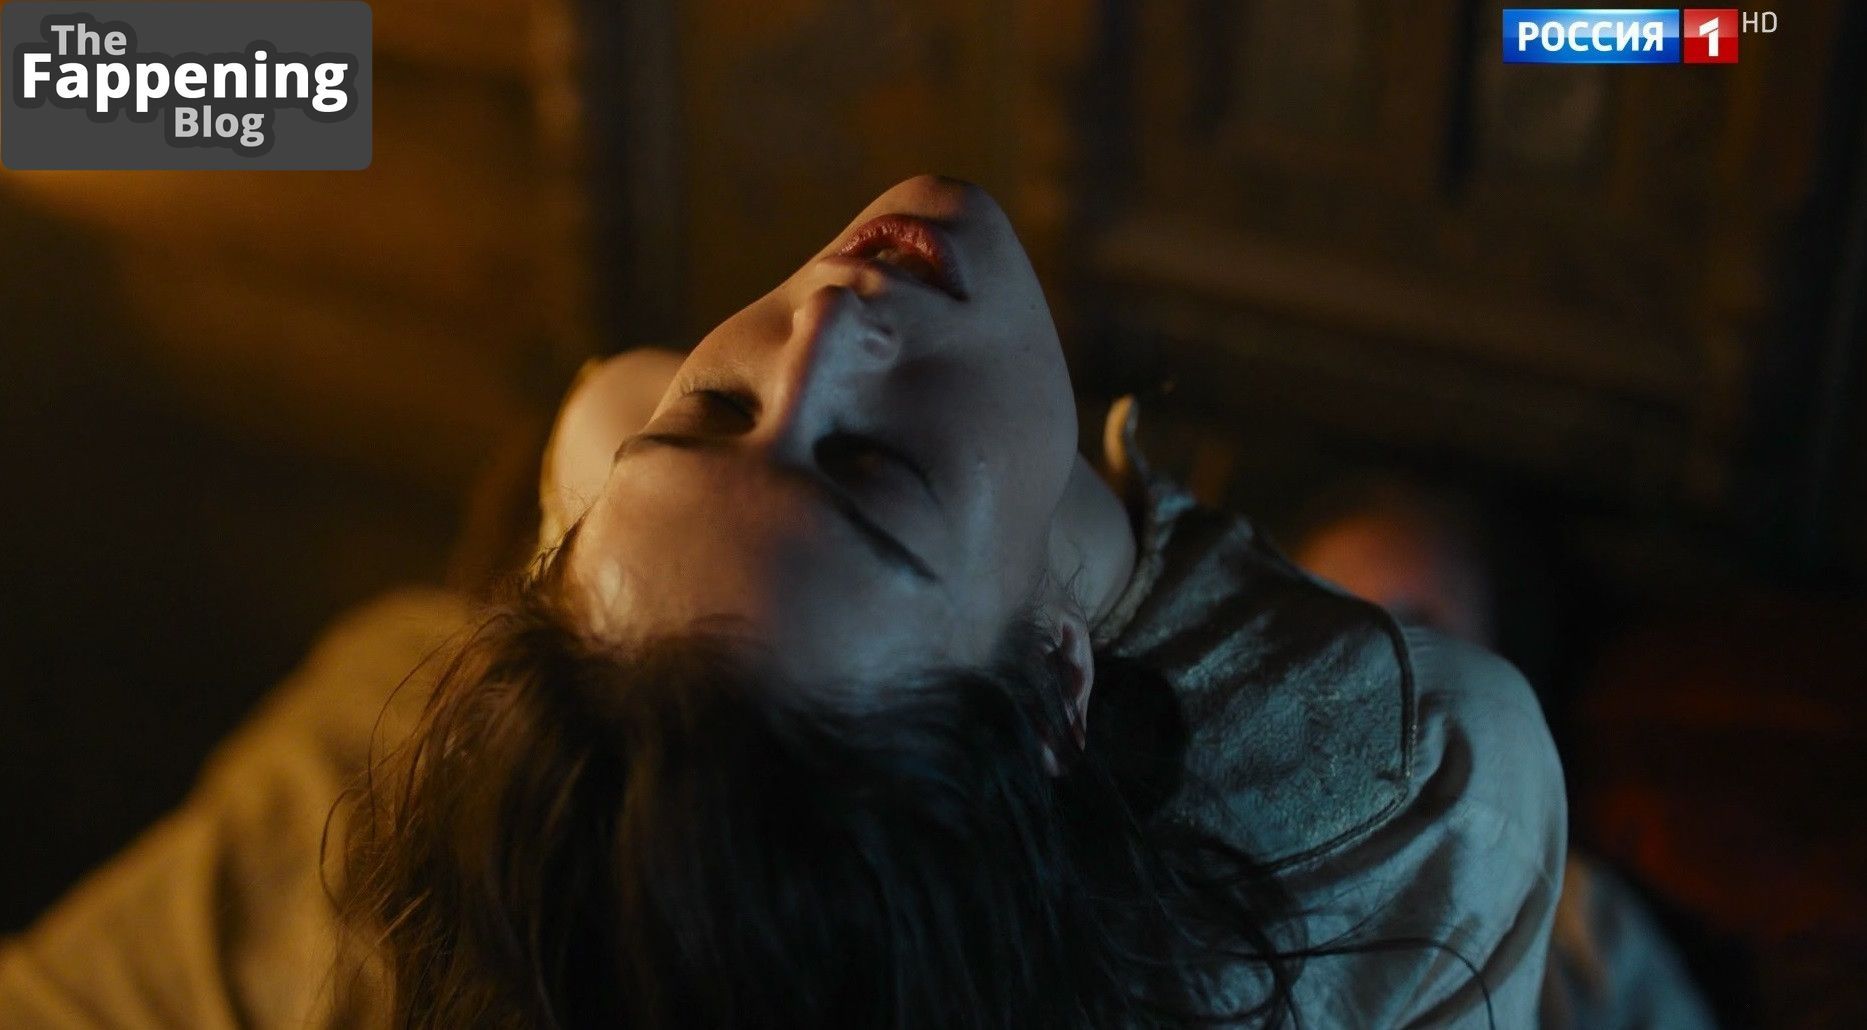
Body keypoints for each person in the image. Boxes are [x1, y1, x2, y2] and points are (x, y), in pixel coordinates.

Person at [0, 176, 1564, 1028]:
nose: (826, 327)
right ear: (1053, 687)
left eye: (713, 416)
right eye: (869, 470)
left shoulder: (604, 450)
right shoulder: (1423, 781)